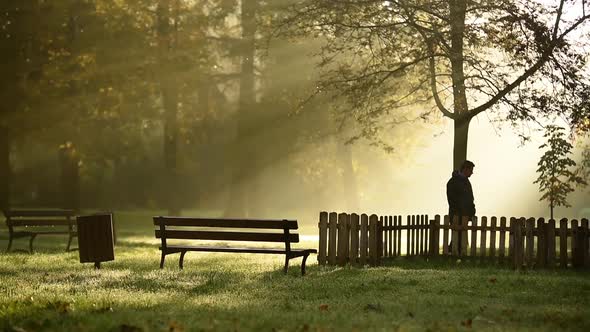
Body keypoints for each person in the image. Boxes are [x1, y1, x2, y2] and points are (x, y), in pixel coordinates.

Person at [446, 160, 476, 254]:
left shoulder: (466, 182)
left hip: (465, 215)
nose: (472, 172)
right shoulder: (453, 182)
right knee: (457, 235)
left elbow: (470, 198)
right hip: (456, 214)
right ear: (465, 169)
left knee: (461, 235)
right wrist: (460, 212)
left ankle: (456, 254)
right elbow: (452, 200)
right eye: (470, 170)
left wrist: (472, 211)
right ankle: (453, 253)